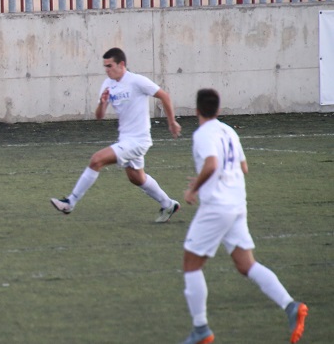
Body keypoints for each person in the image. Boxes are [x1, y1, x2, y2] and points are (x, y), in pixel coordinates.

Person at [179, 89, 308, 344]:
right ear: (218, 110)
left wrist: (194, 188)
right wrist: (210, 179)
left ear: (196, 111)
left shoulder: (203, 134)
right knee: (246, 264)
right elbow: (243, 167)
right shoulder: (229, 131)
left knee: (191, 265)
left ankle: (201, 329)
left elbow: (212, 164)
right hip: (237, 203)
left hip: (217, 207)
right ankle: (291, 306)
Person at [50, 47, 182, 222]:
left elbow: (164, 96)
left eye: (110, 66)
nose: (107, 70)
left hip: (138, 140)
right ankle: (168, 204)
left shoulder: (137, 81)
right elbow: (99, 116)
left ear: (121, 64)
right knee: (136, 177)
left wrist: (171, 122)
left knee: (96, 160)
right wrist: (102, 103)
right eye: (105, 66)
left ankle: (70, 202)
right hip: (126, 139)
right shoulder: (107, 84)